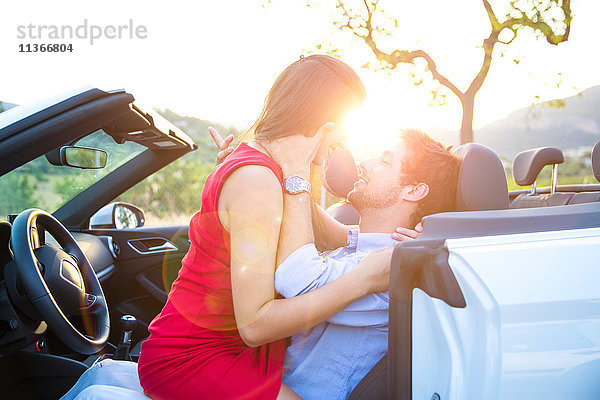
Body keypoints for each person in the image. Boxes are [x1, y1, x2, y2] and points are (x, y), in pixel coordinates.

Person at [136, 55, 394, 400]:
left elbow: (340, 237)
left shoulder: (275, 171)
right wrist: (361, 282)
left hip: (239, 352)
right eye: (345, 129)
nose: (344, 144)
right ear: (325, 123)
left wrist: (403, 241)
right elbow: (255, 325)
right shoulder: (256, 180)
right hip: (191, 360)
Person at [210, 128, 461, 399]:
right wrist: (252, 172)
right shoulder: (358, 247)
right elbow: (308, 216)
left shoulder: (389, 265)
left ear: (414, 190)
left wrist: (296, 169)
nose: (364, 164)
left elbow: (296, 280)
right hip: (273, 383)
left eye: (385, 161)